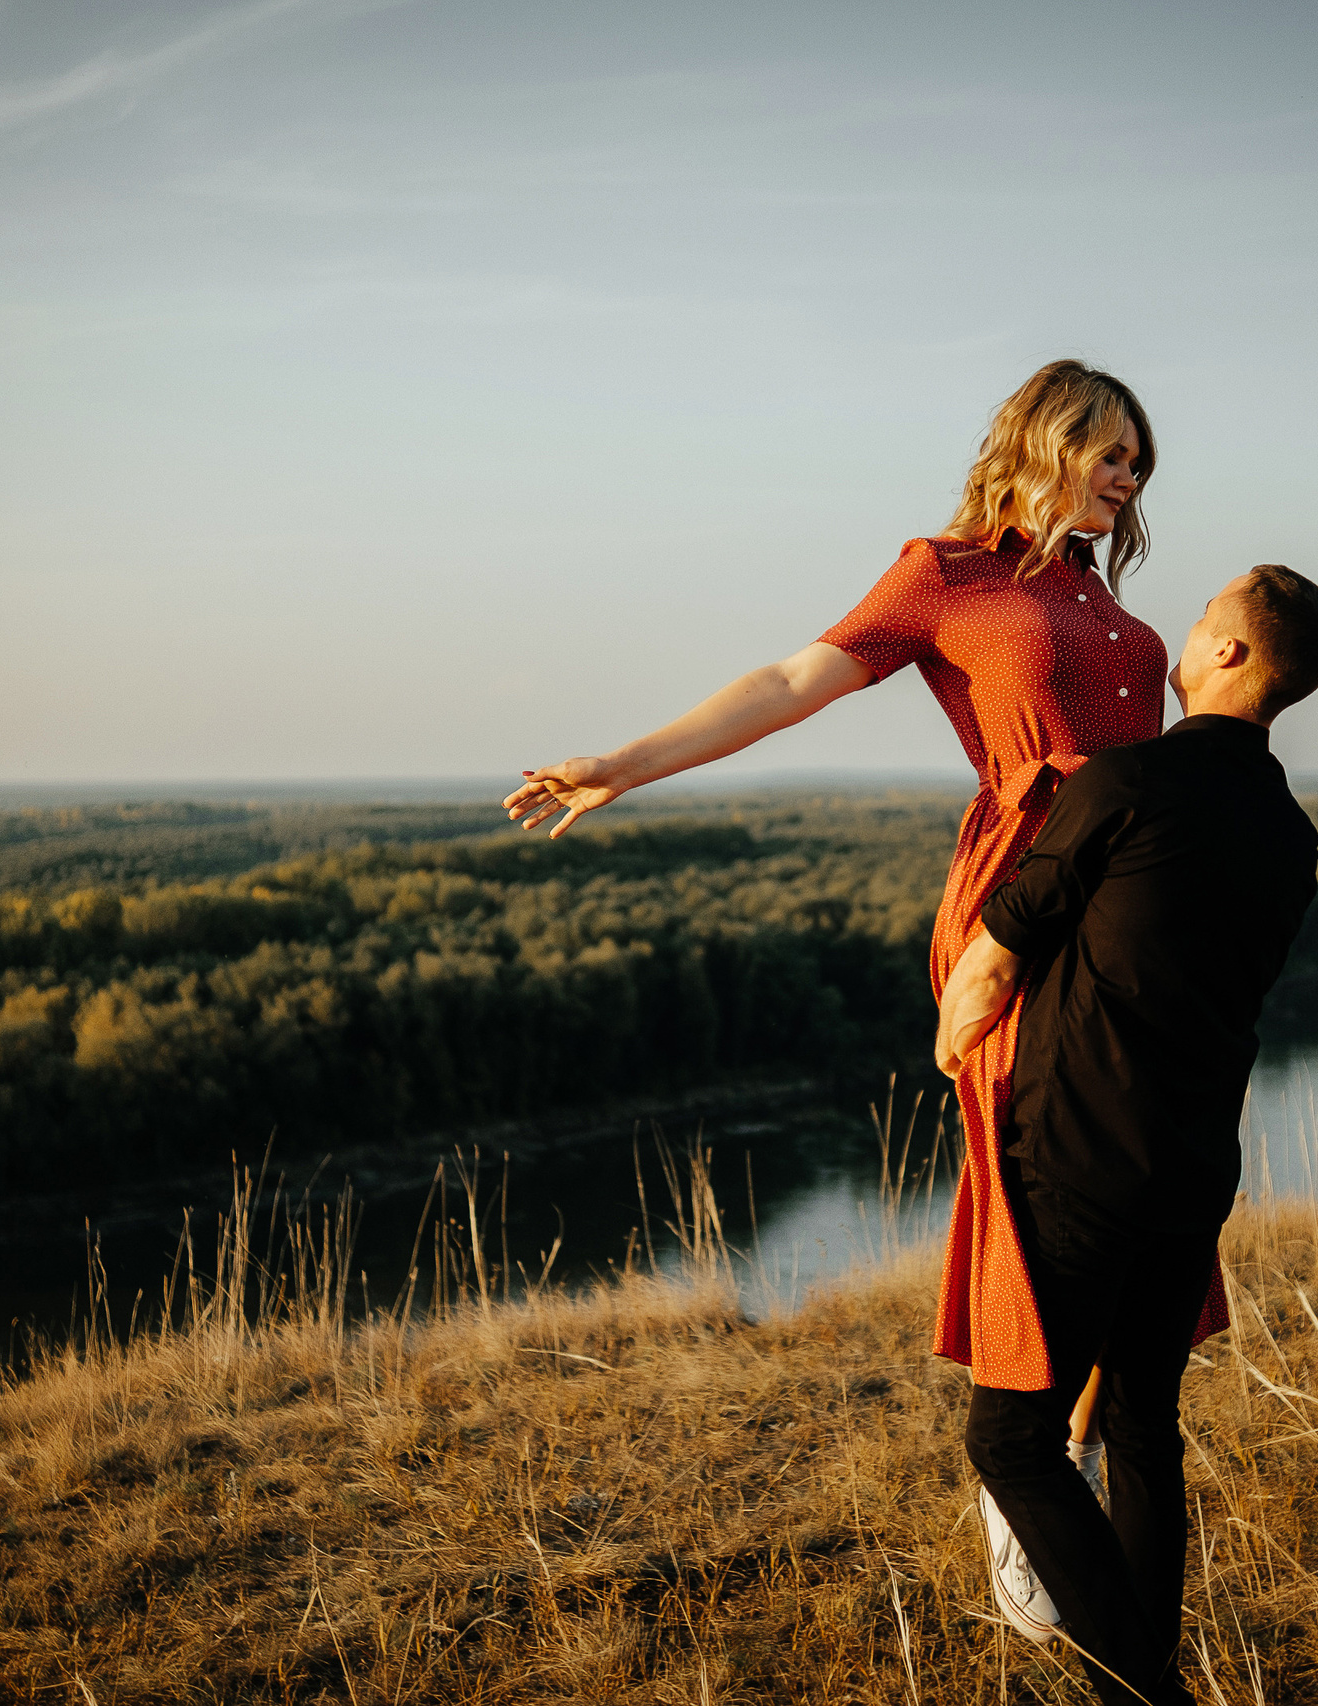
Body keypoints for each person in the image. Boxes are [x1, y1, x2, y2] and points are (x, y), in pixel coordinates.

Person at [506, 361, 1229, 1419]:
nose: (1129, 477)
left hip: (1140, 896)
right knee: (1037, 1168)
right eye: (1110, 452)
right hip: (1027, 885)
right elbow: (795, 679)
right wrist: (626, 761)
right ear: (1044, 441)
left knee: (1139, 1154)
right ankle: (1029, 1449)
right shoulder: (943, 574)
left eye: (1137, 461)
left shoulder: (1089, 587)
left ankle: (1091, 1432)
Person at [933, 564, 1318, 1705]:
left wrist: (954, 1046)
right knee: (1141, 1422)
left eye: (1213, 610)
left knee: (1012, 1438)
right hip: (1195, 1164)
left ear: (1231, 656)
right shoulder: (1288, 830)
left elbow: (997, 956)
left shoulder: (1126, 780)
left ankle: (1147, 1691)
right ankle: (1142, 1677)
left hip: (1074, 1152)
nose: (1194, 616)